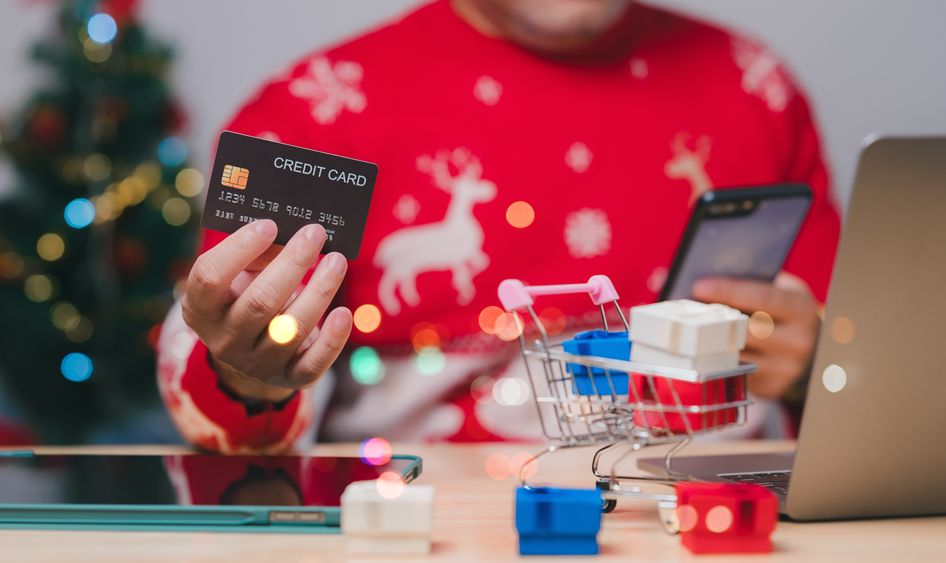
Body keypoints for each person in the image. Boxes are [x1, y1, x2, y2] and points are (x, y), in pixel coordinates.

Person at [157, 0, 840, 453]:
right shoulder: (315, 110)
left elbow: (861, 362)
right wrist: (245, 375)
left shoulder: (754, 88)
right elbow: (229, 381)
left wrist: (823, 365)